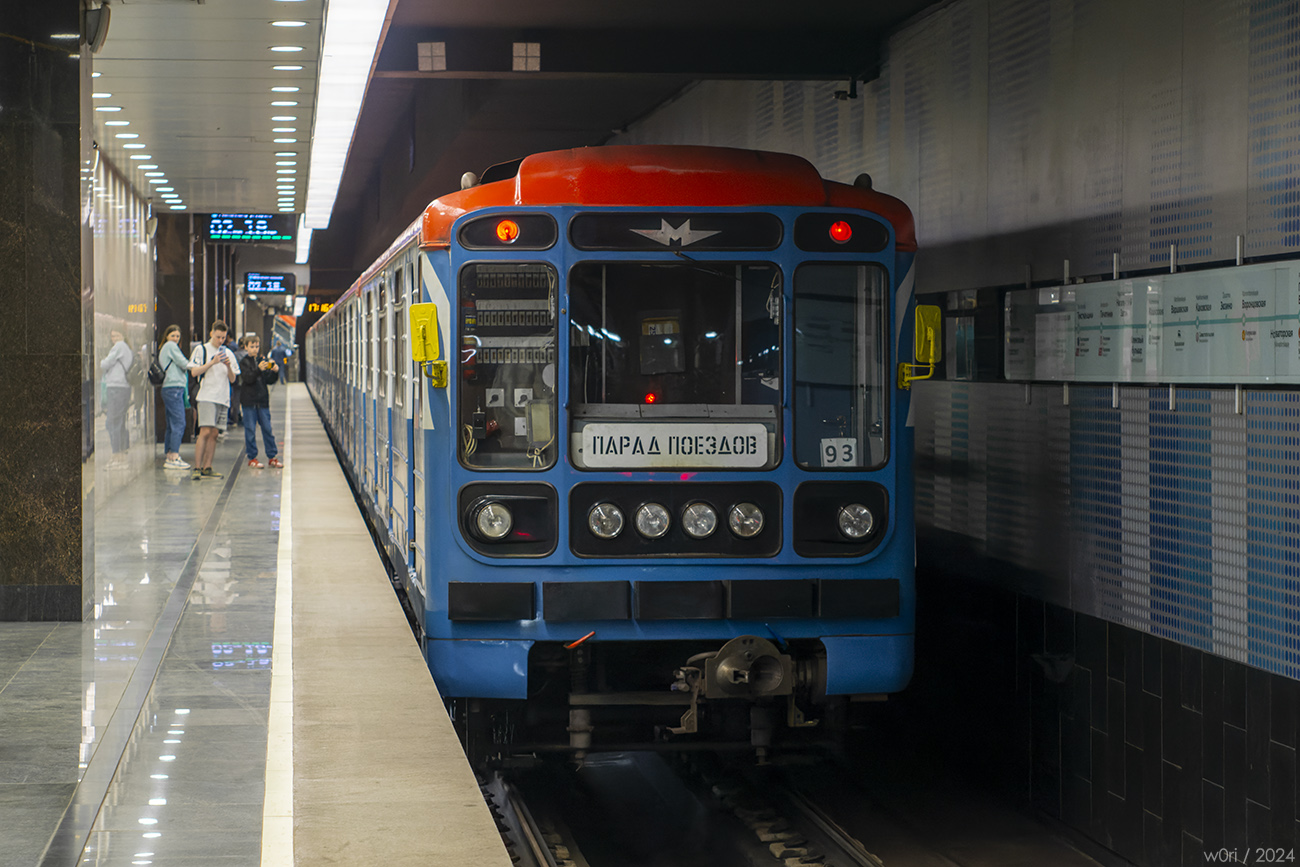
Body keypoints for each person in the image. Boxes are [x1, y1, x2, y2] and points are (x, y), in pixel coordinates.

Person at [187, 320, 238, 480]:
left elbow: (233, 379)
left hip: (222, 397)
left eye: (223, 338)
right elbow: (194, 372)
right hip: (207, 396)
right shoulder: (201, 350)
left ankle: (207, 467)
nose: (220, 340)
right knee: (205, 431)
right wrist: (212, 362)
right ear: (211, 334)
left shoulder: (228, 353)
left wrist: (228, 365)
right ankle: (197, 467)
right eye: (218, 337)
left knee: (215, 433)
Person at [238, 336, 282, 468]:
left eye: (256, 346)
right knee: (250, 430)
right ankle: (252, 457)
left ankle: (272, 456)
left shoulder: (262, 361)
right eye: (252, 347)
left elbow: (269, 380)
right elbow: (248, 378)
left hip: (262, 401)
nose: (255, 349)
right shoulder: (243, 362)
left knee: (267, 429)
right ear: (246, 347)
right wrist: (259, 369)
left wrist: (275, 372)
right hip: (249, 402)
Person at [158, 325, 191, 469]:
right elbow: (184, 363)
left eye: (177, 336)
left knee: (172, 423)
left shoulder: (165, 347)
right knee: (179, 422)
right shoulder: (171, 346)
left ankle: (170, 455)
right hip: (174, 388)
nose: (175, 339)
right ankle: (174, 456)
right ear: (167, 336)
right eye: (173, 336)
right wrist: (196, 365)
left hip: (168, 388)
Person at [100, 329, 133, 466]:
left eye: (117, 335)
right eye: (112, 336)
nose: (114, 339)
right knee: (118, 421)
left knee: (112, 422)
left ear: (123, 335)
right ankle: (121, 454)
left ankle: (116, 455)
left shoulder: (119, 346)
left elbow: (105, 364)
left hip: (116, 387)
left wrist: (102, 361)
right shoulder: (127, 348)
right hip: (122, 387)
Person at [226, 334, 244, 426]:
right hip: (247, 381)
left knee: (236, 400)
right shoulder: (248, 355)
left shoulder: (234, 354)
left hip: (237, 380)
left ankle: (235, 419)